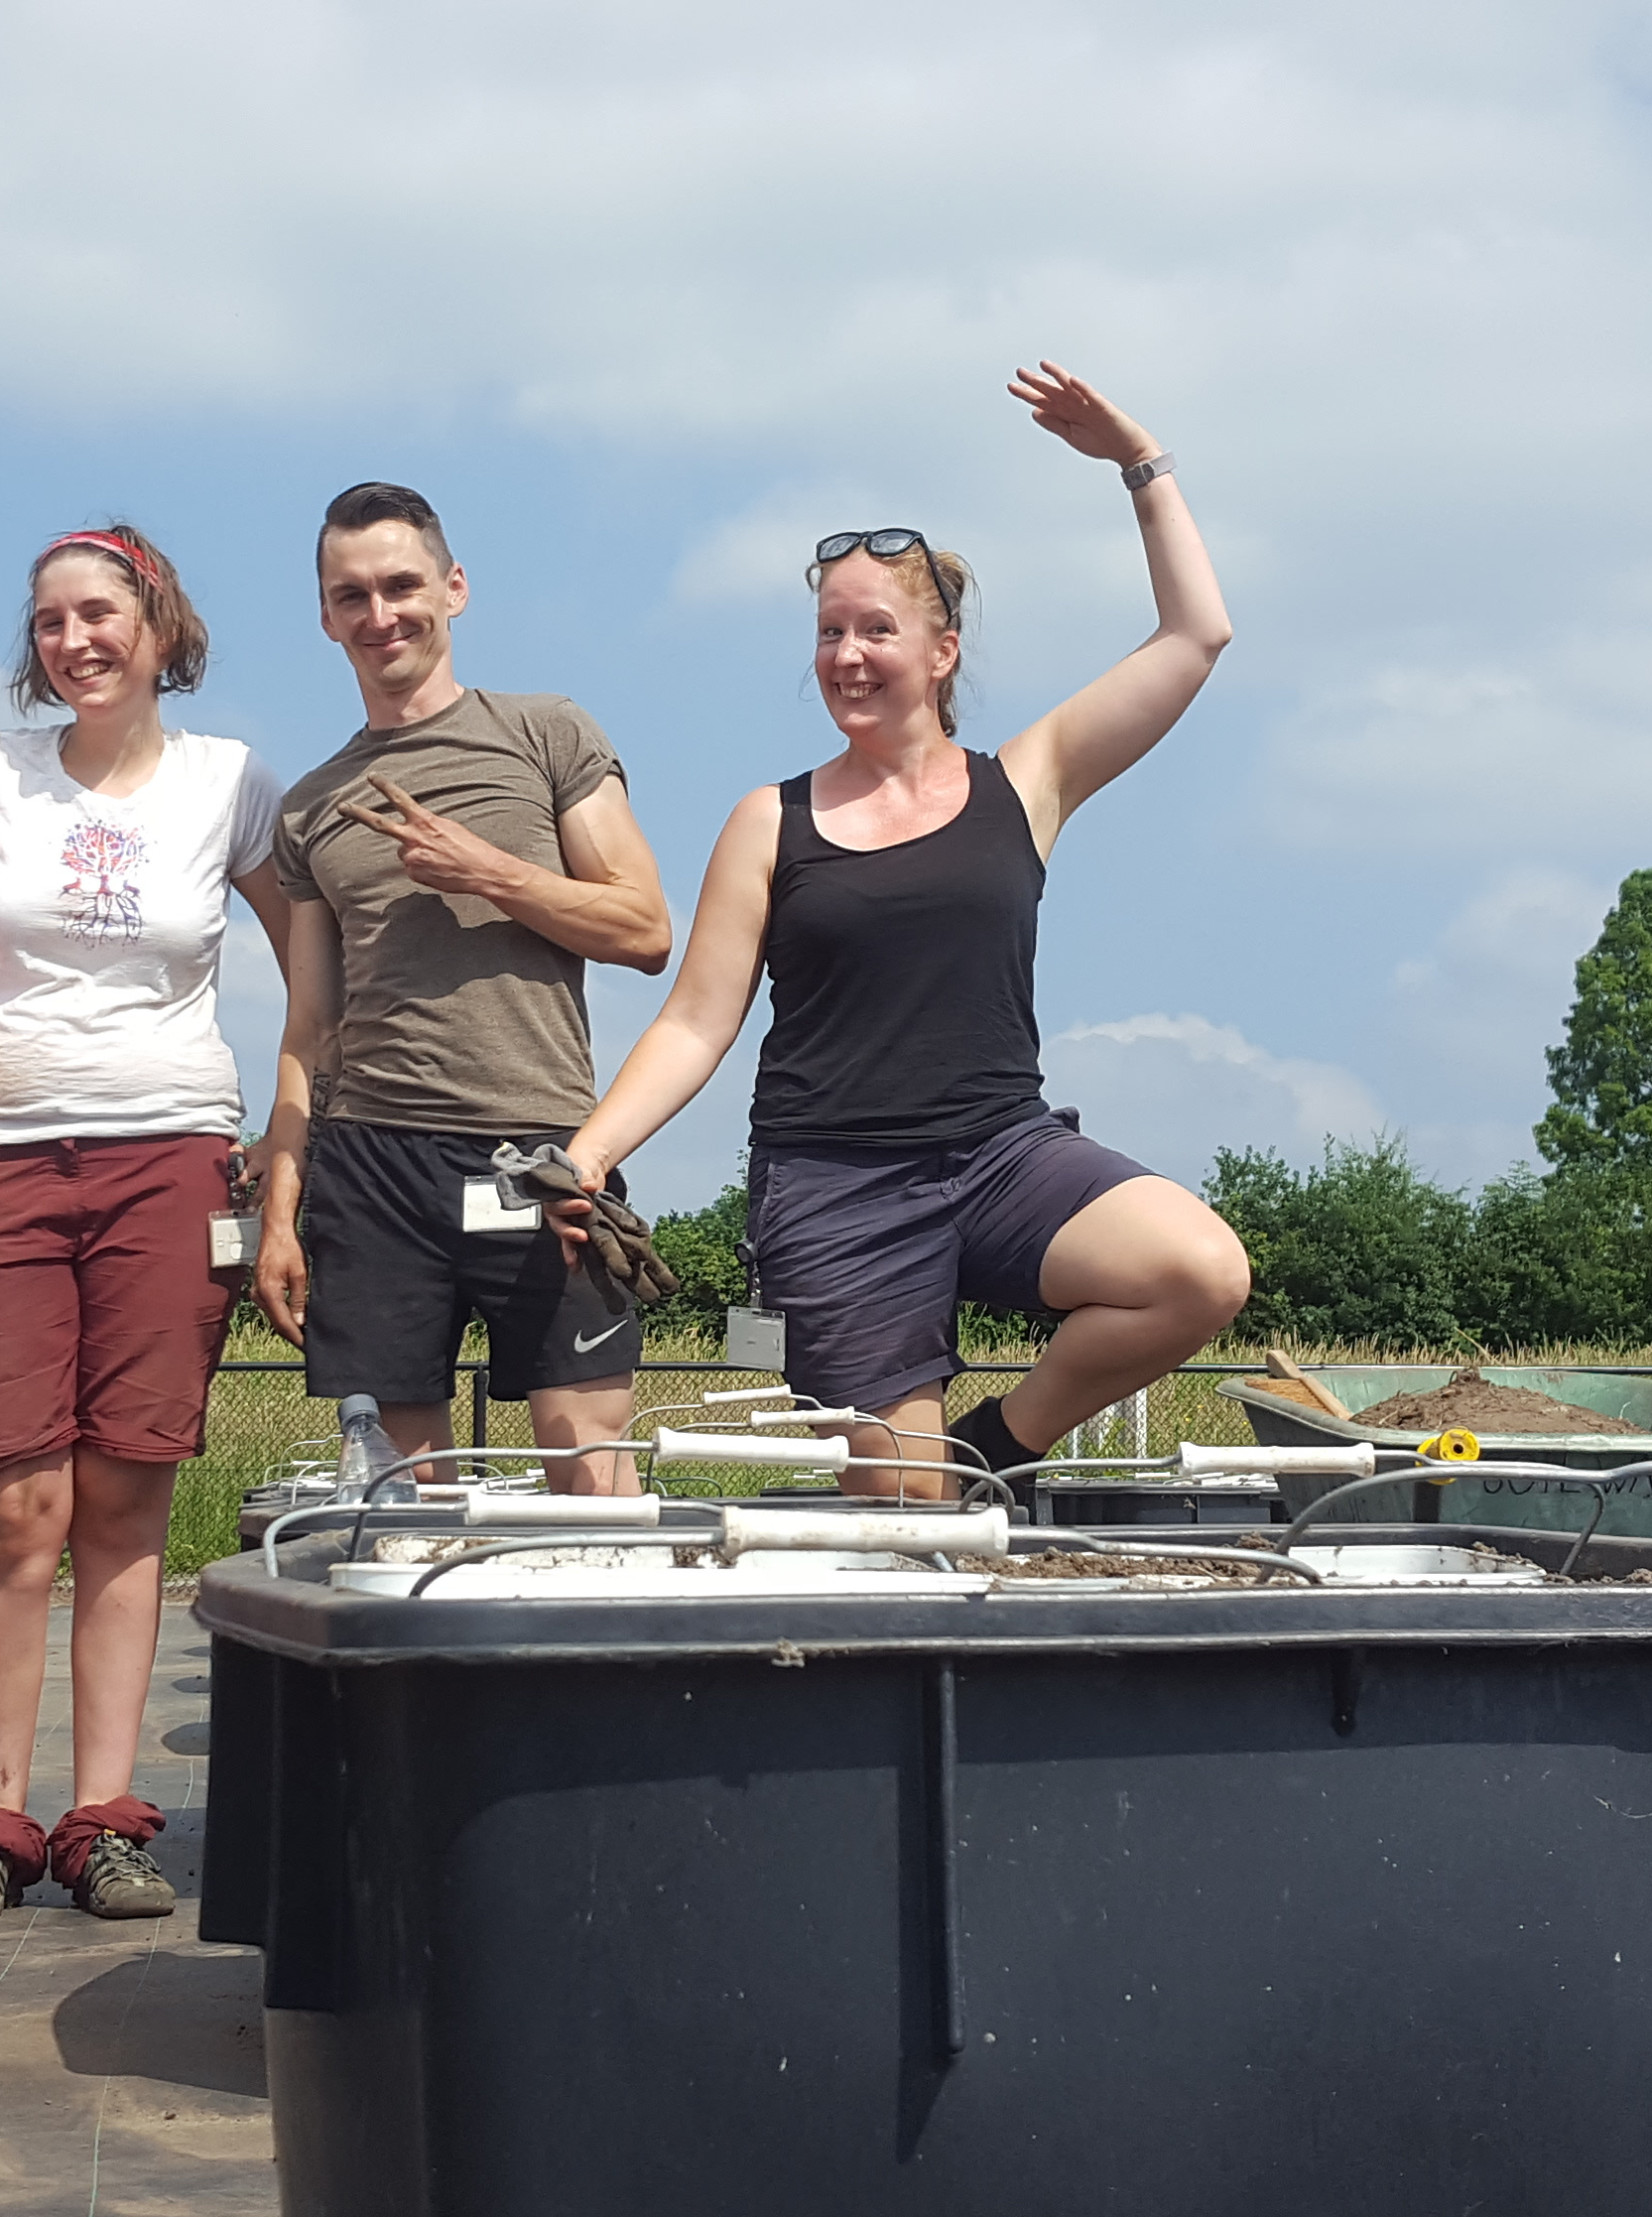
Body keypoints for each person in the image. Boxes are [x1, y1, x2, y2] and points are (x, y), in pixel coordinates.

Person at [555, 365, 1255, 1490]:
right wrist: (590, 1154)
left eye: (874, 628)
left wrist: (1141, 463)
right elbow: (694, 1021)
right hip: (832, 1187)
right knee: (905, 1513)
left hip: (1000, 1157)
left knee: (1198, 1271)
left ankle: (1001, 1443)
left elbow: (1194, 636)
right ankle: (918, 1495)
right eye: (829, 632)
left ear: (942, 652)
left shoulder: (1025, 782)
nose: (845, 655)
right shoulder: (766, 821)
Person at [0, 524, 302, 1927]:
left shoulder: (230, 783)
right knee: (10, 1501)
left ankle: (105, 1817)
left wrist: (291, 1137)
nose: (74, 641)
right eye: (50, 621)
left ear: (158, 624)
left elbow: (322, 958)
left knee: (125, 1491)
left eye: (100, 614)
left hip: (168, 1155)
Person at [247, 485, 674, 1498]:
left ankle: (595, 1658)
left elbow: (646, 930)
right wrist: (278, 1203)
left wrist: (491, 872)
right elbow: (308, 1025)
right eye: (350, 595)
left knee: (588, 1462)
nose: (379, 613)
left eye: (400, 585)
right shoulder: (309, 807)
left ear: (454, 587)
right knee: (406, 1493)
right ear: (324, 616)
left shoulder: (544, 733)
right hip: (373, 1165)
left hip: (541, 1153)